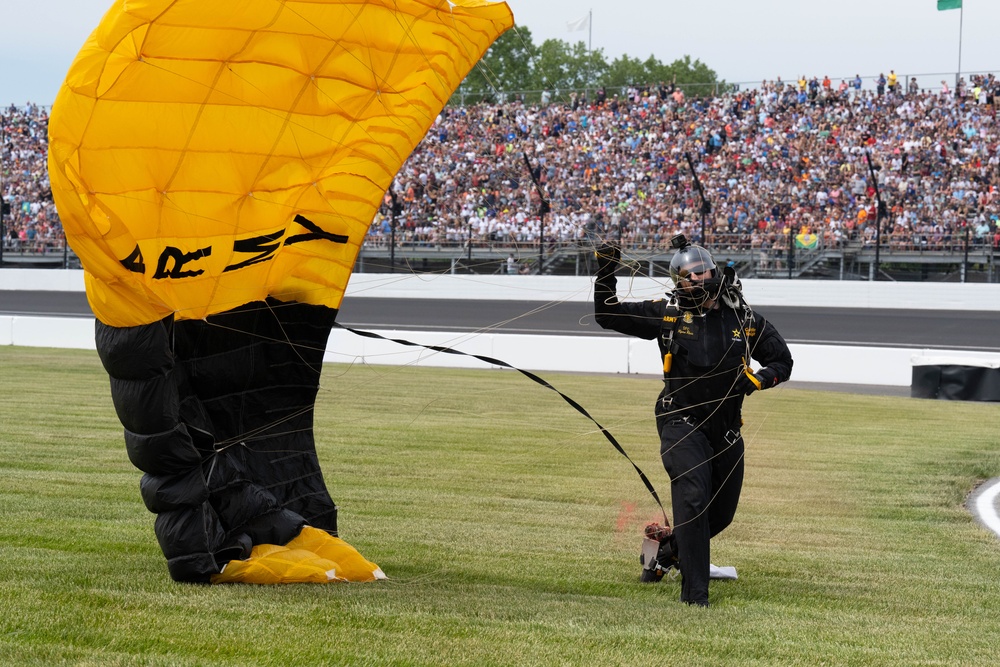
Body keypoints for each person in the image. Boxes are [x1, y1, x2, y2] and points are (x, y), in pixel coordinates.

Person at [593, 236, 793, 607]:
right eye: (691, 275)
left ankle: (663, 551)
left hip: (728, 431)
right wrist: (607, 268)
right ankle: (695, 599)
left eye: (705, 272)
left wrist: (761, 379)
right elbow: (607, 314)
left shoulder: (745, 318)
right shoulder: (667, 313)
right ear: (678, 281)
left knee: (720, 514)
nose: (700, 279)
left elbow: (783, 362)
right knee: (694, 499)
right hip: (680, 421)